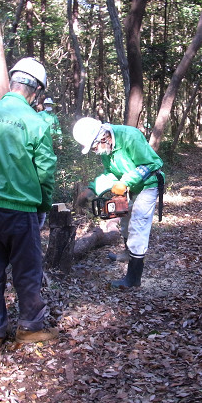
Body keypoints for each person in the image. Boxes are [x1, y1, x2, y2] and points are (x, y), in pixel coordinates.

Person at [0, 57, 59, 352]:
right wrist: (43, 207)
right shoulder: (35, 121)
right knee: (27, 270)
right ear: (36, 92)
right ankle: (29, 328)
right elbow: (45, 170)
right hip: (19, 209)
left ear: (13, 82)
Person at [72, 117, 164, 289]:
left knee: (138, 227)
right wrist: (92, 189)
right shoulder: (107, 149)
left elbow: (151, 164)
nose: (95, 151)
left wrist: (126, 182)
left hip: (148, 183)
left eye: (94, 146)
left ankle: (133, 278)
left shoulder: (130, 136)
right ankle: (127, 253)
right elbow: (111, 173)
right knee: (124, 221)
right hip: (129, 185)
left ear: (103, 136)